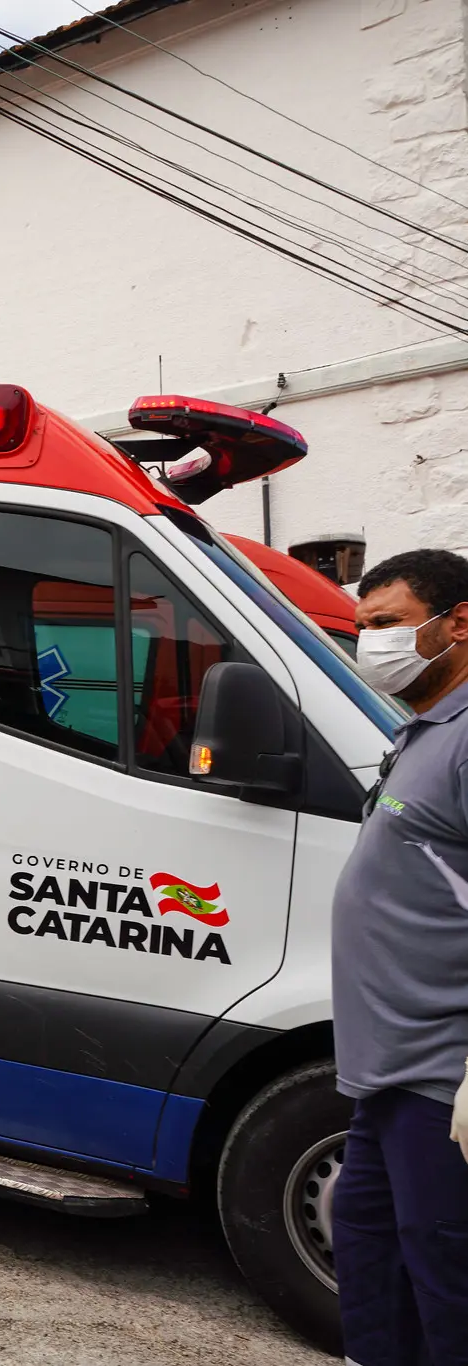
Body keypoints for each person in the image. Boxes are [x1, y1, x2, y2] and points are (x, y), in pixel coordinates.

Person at [332, 547, 468, 1366]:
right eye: (361, 627)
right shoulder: (422, 731)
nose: (369, 644)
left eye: (385, 625)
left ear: (457, 623)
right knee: (370, 1259)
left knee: (446, 1282)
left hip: (442, 1084)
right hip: (383, 1075)